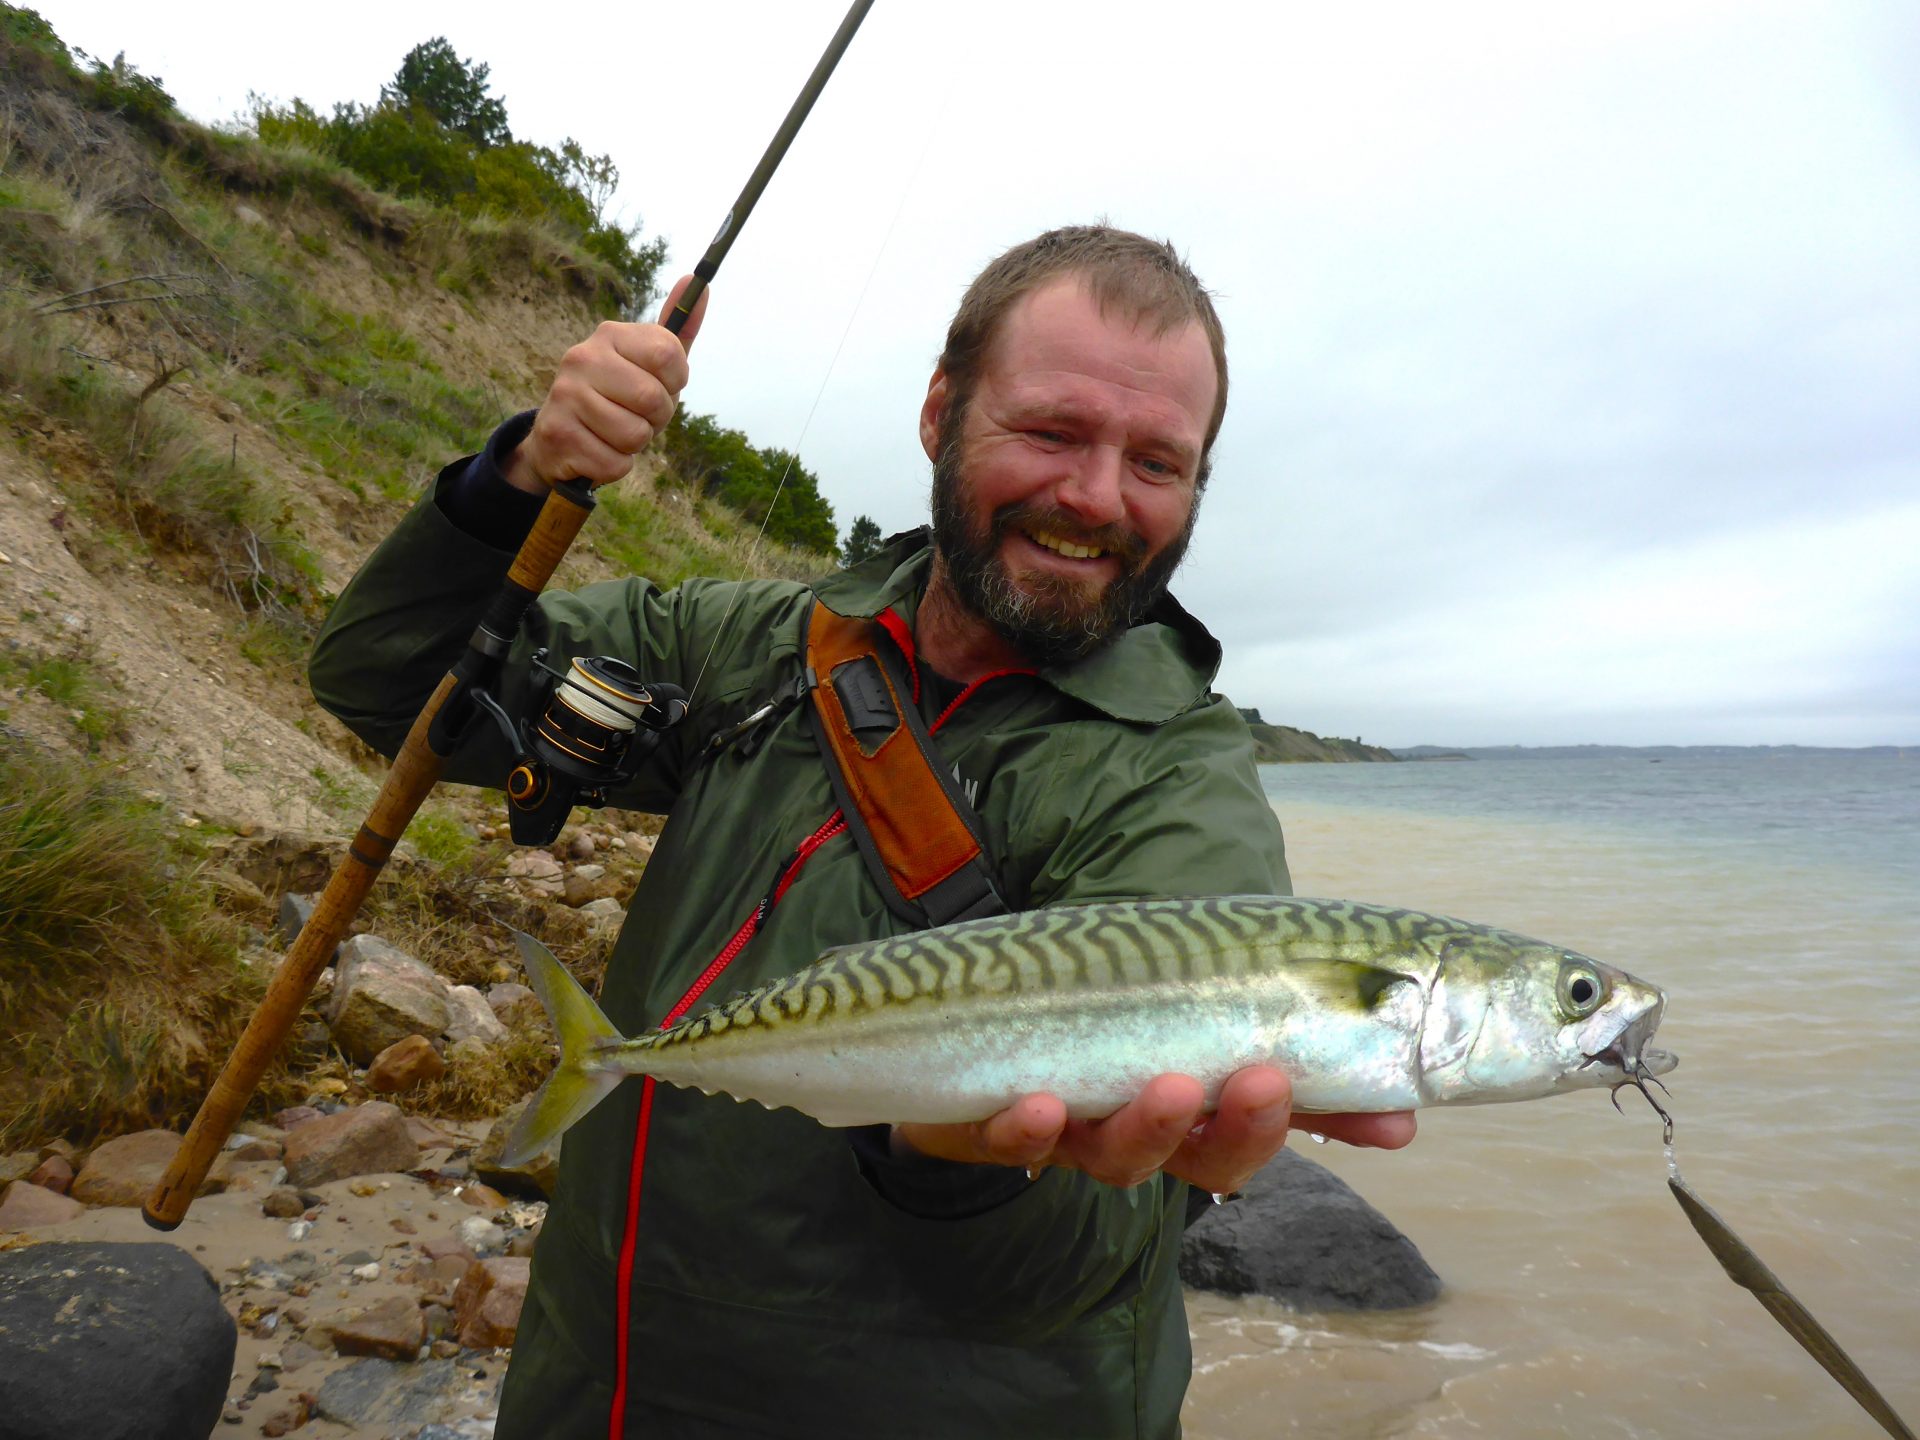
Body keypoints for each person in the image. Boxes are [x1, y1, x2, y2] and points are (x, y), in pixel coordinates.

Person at [310, 225, 1414, 1439]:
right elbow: (388, 682)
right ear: (942, 412)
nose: (1097, 497)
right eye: (1051, 432)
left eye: (1158, 461)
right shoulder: (752, 649)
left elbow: (1080, 1282)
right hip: (594, 1387)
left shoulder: (1177, 796)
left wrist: (951, 1157)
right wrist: (511, 482)